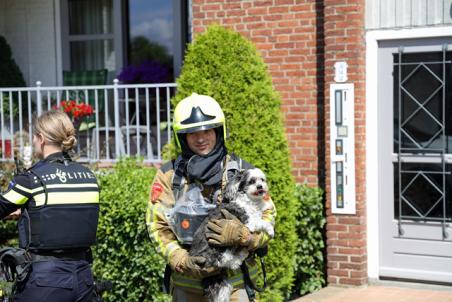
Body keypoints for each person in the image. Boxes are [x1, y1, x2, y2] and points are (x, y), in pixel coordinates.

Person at [146, 93, 276, 301]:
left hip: (236, 286)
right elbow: (156, 225)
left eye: (207, 130)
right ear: (183, 137)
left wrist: (247, 237)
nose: (200, 138)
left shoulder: (243, 172)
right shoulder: (169, 176)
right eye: (192, 133)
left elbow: (269, 216)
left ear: (218, 131)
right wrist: (181, 259)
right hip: (187, 286)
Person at [0, 110, 100, 302]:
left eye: (35, 137)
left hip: (44, 282)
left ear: (42, 138)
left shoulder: (31, 179)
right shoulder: (89, 177)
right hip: (84, 279)